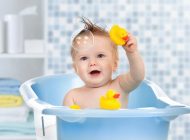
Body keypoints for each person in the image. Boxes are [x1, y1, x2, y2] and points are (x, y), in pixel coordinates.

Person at [63, 18, 145, 109]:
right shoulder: (73, 97)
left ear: (115, 64)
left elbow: (137, 77)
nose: (92, 63)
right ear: (76, 68)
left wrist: (132, 53)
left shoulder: (120, 86)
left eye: (100, 56)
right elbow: (66, 122)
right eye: (84, 58)